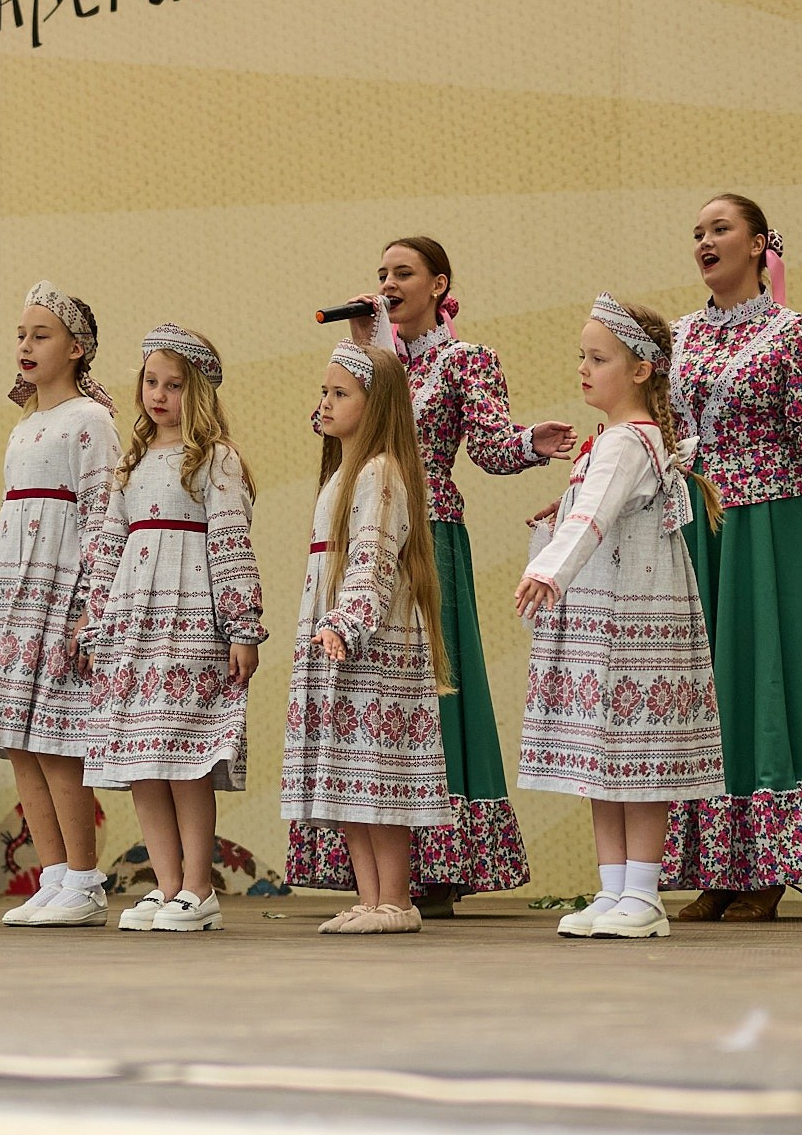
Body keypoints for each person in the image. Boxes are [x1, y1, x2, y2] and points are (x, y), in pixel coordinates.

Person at [291, 239, 574, 917]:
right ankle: (376, 874)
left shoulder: (464, 359)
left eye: (403, 273)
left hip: (428, 534)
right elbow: (330, 427)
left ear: (437, 284)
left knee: (426, 687)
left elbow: (492, 445)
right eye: (382, 273)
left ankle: (438, 864)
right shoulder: (369, 357)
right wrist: (364, 351)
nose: (387, 283)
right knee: (361, 695)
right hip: (358, 533)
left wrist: (529, 442)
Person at [665, 195, 802, 920]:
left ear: (760, 244)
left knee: (766, 679)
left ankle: (769, 864)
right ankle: (718, 866)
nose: (705, 241)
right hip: (696, 525)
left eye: (720, 229)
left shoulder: (798, 334)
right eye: (698, 233)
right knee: (703, 688)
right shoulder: (679, 336)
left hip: (768, 526)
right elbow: (662, 434)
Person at [514, 296, 722, 940]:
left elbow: (596, 516)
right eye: (583, 356)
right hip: (606, 619)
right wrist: (555, 522)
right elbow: (589, 509)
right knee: (602, 760)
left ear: (640, 370)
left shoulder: (629, 441)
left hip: (632, 622)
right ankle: (612, 890)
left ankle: (644, 894)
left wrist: (550, 567)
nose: (584, 368)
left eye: (598, 358)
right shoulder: (609, 442)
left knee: (638, 759)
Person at [80, 325, 265, 933]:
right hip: (133, 628)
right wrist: (95, 622)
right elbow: (107, 547)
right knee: (144, 762)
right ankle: (164, 887)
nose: (158, 395)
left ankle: (197, 889)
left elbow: (232, 545)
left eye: (175, 385)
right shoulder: (130, 462)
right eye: (151, 382)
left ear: (200, 392)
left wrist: (242, 628)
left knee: (186, 760)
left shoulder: (215, 459)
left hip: (191, 628)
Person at [0, 284, 120, 928]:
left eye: (41, 335)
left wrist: (92, 605)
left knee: (56, 741)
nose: (25, 345)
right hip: (13, 592)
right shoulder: (24, 426)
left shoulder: (91, 421)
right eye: (21, 334)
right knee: (19, 743)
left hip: (61, 590)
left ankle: (84, 878)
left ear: (77, 349)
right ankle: (53, 875)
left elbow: (104, 517)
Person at [283, 340, 450, 936]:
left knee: (377, 772)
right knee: (350, 774)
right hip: (337, 637)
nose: (325, 403)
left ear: (374, 405)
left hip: (369, 641)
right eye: (323, 392)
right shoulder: (345, 471)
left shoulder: (380, 472)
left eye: (339, 393)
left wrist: (346, 622)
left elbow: (374, 559)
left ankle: (396, 899)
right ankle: (371, 896)